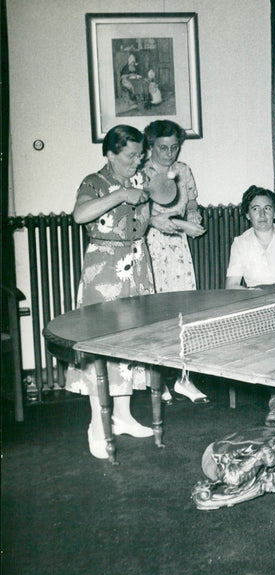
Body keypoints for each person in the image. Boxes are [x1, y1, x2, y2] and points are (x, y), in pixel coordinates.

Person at [65, 125, 173, 459]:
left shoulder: (140, 179)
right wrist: (120, 195)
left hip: (138, 266)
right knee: (102, 345)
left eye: (140, 154)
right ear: (110, 154)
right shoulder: (93, 182)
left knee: (133, 344)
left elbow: (142, 218)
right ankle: (98, 424)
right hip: (105, 271)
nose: (137, 160)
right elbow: (80, 214)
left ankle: (123, 416)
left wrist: (174, 223)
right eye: (130, 155)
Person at [142, 119, 209, 404]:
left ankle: (184, 379)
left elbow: (191, 200)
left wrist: (193, 213)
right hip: (150, 246)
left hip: (178, 248)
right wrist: (184, 224)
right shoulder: (141, 171)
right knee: (155, 314)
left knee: (183, 313)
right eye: (163, 148)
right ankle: (157, 381)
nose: (169, 153)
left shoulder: (183, 171)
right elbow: (144, 217)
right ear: (150, 146)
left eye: (174, 147)